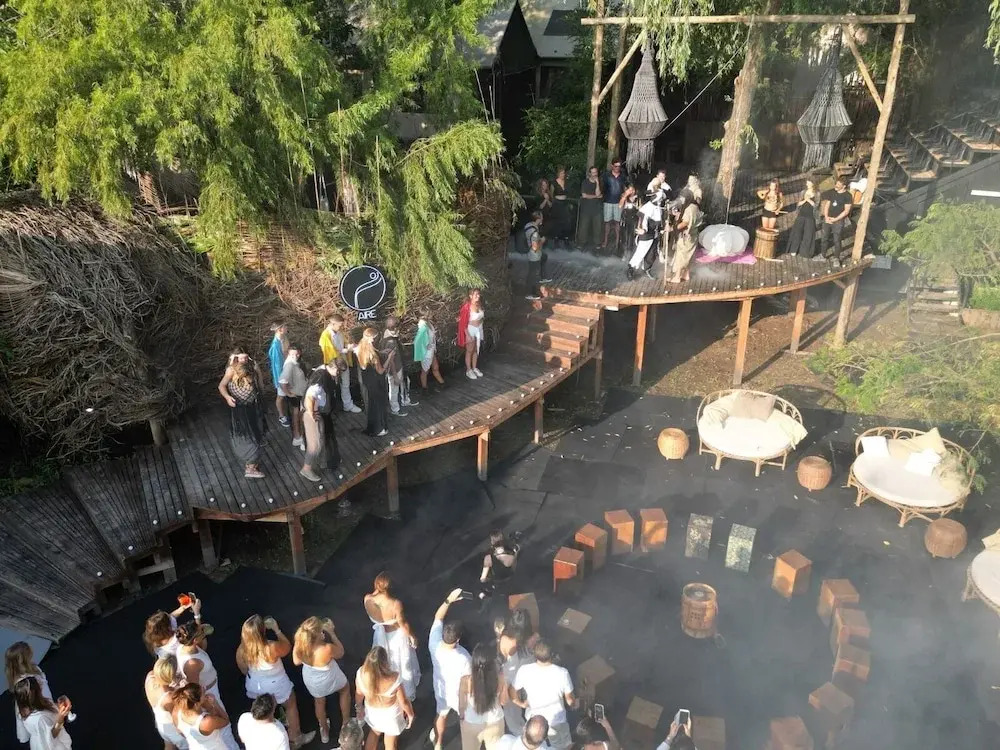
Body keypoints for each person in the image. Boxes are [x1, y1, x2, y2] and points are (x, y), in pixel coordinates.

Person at [236, 615, 312, 748]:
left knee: (263, 709)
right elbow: (287, 647)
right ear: (262, 631)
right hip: (277, 684)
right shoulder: (271, 647)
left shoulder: (242, 649)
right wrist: (277, 630)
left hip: (255, 685)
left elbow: (243, 669)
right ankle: (296, 737)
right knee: (290, 705)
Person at [175, 623, 239, 750]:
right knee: (224, 729)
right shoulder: (192, 664)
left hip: (210, 689)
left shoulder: (184, 647)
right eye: (201, 633)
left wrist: (198, 623)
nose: (204, 632)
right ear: (194, 640)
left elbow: (202, 648)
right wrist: (210, 706)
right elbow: (195, 690)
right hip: (208, 692)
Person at [293, 616, 351, 745]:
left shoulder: (301, 647)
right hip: (329, 679)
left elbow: (296, 661)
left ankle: (324, 731)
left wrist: (298, 642)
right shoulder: (327, 649)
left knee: (319, 702)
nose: (322, 632)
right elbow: (341, 652)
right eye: (320, 631)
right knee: (345, 689)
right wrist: (332, 633)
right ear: (317, 635)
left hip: (313, 682)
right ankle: (346, 723)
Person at [364, 572, 420, 700]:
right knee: (401, 662)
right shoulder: (395, 604)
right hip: (396, 637)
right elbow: (402, 624)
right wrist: (412, 637)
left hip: (379, 635)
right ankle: (405, 690)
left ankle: (386, 687)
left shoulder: (367, 599)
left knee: (384, 660)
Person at [511, 640, 575, 750]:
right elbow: (569, 700)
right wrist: (574, 703)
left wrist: (520, 703)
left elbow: (512, 690)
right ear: (552, 655)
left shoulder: (524, 670)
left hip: (534, 724)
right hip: (557, 722)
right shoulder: (562, 673)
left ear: (535, 654)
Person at [429, 589, 472, 750]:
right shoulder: (464, 656)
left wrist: (448, 600)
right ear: (458, 639)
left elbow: (438, 617)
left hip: (440, 689)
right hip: (458, 695)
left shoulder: (434, 644)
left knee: (441, 714)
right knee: (466, 719)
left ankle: (438, 743)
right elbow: (469, 679)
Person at [217, 349, 268, 479]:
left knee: (257, 432)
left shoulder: (253, 367)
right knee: (246, 436)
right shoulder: (231, 370)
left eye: (246, 357)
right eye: (241, 358)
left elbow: (260, 384)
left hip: (253, 406)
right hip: (239, 409)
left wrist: (258, 374)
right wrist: (227, 397)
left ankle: (253, 463)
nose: (244, 360)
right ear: (235, 358)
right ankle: (250, 467)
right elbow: (221, 386)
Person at [355, 646, 414, 750]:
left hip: (372, 712)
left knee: (374, 732)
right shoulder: (394, 678)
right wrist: (410, 714)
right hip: (391, 715)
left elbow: (359, 694)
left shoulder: (361, 673)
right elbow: (404, 702)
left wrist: (359, 708)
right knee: (390, 742)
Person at [458, 643, 506, 750]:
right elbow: (503, 701)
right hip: (495, 721)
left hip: (471, 723)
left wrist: (462, 719)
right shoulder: (500, 678)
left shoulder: (466, 681)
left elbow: (461, 706)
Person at [7, 642, 54, 746]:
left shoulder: (34, 668)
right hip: (40, 708)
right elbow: (31, 702)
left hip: (44, 702)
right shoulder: (25, 682)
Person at [498, 610, 537, 736]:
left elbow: (502, 658)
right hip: (528, 674)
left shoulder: (505, 639)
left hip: (510, 677)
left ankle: (519, 732)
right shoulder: (534, 638)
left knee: (511, 710)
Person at [13, 676, 72, 750]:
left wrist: (59, 704)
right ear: (35, 694)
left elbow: (48, 709)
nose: (41, 686)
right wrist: (60, 720)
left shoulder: (26, 708)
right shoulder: (40, 718)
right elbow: (50, 737)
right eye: (39, 687)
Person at [319, 315, 362, 414]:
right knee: (332, 386)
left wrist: (349, 346)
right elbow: (329, 352)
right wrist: (346, 350)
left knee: (346, 383)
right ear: (333, 324)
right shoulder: (325, 336)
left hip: (343, 361)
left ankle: (348, 405)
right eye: (339, 325)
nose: (341, 327)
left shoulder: (339, 332)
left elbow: (344, 343)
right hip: (333, 364)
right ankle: (330, 407)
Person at [172, 683, 234, 750]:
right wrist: (215, 703)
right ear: (196, 704)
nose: (205, 691)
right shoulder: (207, 721)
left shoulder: (176, 711)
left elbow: (180, 731)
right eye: (203, 693)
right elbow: (226, 720)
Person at [146, 655, 188, 750]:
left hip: (161, 724)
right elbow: (177, 720)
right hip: (173, 730)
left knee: (169, 747)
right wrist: (186, 735)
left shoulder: (150, 676)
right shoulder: (169, 697)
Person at [357, 327, 390, 436]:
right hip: (376, 380)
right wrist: (389, 357)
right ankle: (380, 428)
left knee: (372, 404)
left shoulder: (360, 347)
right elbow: (381, 371)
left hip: (367, 380)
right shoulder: (373, 355)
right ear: (371, 339)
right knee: (379, 404)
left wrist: (381, 352)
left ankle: (373, 426)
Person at [380, 317, 417, 417]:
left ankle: (405, 400)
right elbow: (391, 360)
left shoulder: (389, 335)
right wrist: (395, 375)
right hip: (395, 368)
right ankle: (395, 409)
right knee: (394, 389)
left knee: (405, 382)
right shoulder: (390, 341)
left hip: (400, 365)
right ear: (395, 328)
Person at [627, 191, 665, 280]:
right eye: (660, 199)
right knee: (640, 253)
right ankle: (631, 269)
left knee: (652, 254)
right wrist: (643, 230)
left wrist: (661, 229)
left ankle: (647, 269)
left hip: (654, 234)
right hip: (646, 235)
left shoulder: (658, 207)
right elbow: (642, 220)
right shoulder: (647, 208)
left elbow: (659, 221)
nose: (661, 201)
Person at [668, 189, 703, 285]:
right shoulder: (695, 206)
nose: (681, 200)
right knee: (689, 255)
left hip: (686, 235)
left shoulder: (688, 209)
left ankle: (677, 277)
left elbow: (685, 222)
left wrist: (672, 228)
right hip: (693, 235)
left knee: (681, 256)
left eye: (683, 198)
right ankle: (686, 274)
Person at [278, 343, 308, 451]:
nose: (295, 356)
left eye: (297, 354)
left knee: (297, 415)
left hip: (299, 393)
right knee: (300, 416)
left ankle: (297, 437)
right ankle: (301, 439)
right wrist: (289, 393)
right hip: (296, 395)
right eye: (292, 354)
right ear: (288, 354)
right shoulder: (290, 365)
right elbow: (282, 381)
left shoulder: (296, 363)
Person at [820, 178, 852, 259]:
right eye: (836, 184)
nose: (836, 186)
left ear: (844, 186)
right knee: (824, 238)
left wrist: (835, 219)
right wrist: (826, 216)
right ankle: (823, 255)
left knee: (837, 240)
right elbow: (827, 204)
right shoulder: (832, 192)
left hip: (838, 221)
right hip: (827, 219)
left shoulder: (848, 196)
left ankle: (836, 258)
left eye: (838, 185)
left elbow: (846, 211)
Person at [785, 181, 818, 258]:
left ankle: (805, 252)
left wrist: (809, 200)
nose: (807, 185)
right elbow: (798, 204)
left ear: (813, 184)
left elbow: (816, 205)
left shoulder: (817, 193)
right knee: (797, 232)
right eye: (807, 183)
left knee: (808, 234)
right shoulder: (803, 192)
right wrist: (804, 200)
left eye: (809, 183)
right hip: (801, 215)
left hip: (811, 216)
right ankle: (793, 249)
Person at [457, 289, 485, 380]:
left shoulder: (479, 304)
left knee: (476, 350)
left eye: (478, 294)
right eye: (476, 294)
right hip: (470, 329)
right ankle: (469, 370)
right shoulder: (467, 306)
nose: (478, 296)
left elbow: (481, 317)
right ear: (470, 296)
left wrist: (479, 323)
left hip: (479, 329)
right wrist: (467, 335)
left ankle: (474, 367)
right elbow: (462, 322)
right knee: (469, 350)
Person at [413, 312, 445, 391]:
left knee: (435, 367)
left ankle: (442, 383)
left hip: (432, 349)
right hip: (427, 352)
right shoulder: (422, 324)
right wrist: (425, 346)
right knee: (425, 370)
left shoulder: (428, 322)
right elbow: (418, 340)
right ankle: (424, 388)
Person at [524, 212, 552, 301]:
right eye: (541, 217)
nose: (542, 219)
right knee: (533, 274)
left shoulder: (528, 225)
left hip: (533, 253)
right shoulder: (534, 233)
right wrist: (542, 241)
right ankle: (530, 293)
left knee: (544, 257)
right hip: (534, 255)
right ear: (538, 219)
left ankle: (543, 277)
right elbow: (535, 247)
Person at [601, 160, 627, 251]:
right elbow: (602, 187)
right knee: (607, 222)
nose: (617, 168)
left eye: (619, 166)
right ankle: (605, 241)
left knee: (617, 222)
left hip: (618, 202)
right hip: (608, 201)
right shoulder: (606, 176)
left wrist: (624, 198)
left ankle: (617, 242)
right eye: (616, 166)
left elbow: (625, 188)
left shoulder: (623, 176)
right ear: (612, 166)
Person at [268, 323, 290, 427]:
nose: (287, 328)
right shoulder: (275, 346)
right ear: (280, 330)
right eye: (285, 327)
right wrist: (280, 380)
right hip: (282, 374)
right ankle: (281, 416)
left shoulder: (284, 339)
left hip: (288, 370)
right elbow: (276, 365)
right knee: (281, 396)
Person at [578, 167, 603, 250]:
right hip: (586, 208)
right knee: (583, 227)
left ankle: (597, 244)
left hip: (597, 208)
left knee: (597, 227)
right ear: (589, 173)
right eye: (593, 172)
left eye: (596, 172)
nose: (595, 174)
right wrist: (596, 196)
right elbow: (584, 195)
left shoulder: (600, 182)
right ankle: (582, 243)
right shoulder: (585, 182)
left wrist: (597, 183)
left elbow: (599, 194)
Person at [617, 182, 640, 261]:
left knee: (632, 237)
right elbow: (620, 206)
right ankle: (624, 253)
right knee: (625, 237)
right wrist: (625, 196)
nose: (631, 192)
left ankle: (631, 253)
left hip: (634, 219)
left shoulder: (638, 198)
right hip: (625, 219)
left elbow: (640, 209)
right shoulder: (624, 197)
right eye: (629, 190)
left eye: (632, 190)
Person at [550, 167, 572, 248]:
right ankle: (556, 239)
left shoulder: (566, 182)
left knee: (567, 221)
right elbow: (551, 194)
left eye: (564, 173)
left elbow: (569, 193)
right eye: (562, 173)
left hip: (564, 203)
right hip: (557, 203)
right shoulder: (554, 183)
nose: (563, 175)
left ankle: (566, 239)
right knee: (557, 221)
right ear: (558, 174)